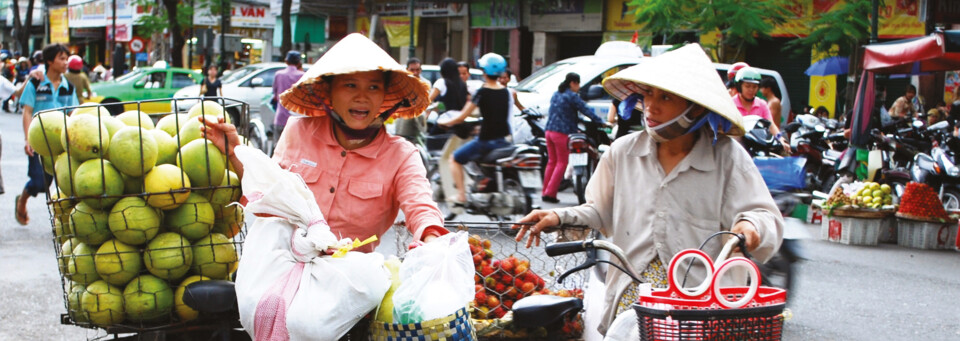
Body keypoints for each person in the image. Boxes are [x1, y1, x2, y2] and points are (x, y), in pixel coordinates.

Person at [511, 44, 783, 335]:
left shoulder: (727, 157)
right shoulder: (623, 152)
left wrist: (749, 227)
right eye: (649, 93)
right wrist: (558, 218)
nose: (651, 105)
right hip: (633, 303)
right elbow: (599, 211)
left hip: (702, 307)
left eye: (665, 96)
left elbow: (764, 216)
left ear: (695, 105)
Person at [202, 33, 445, 255]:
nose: (362, 96)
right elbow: (268, 202)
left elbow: (420, 205)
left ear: (384, 97)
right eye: (350, 85)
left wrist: (433, 240)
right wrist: (235, 152)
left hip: (352, 283)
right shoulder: (298, 132)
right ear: (328, 92)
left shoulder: (401, 155)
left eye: (374, 87)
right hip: (284, 267)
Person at [16, 44, 79, 225]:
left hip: (61, 142)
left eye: (66, 58)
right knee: (39, 182)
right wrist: (28, 138)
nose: (65, 62)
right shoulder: (36, 83)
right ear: (50, 61)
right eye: (61, 58)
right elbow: (27, 111)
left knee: (65, 183)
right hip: (39, 140)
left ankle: (63, 221)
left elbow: (71, 114)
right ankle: (22, 201)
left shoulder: (69, 87)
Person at [440, 53, 514, 204]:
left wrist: (446, 123)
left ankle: (461, 195)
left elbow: (463, 116)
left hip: (486, 140)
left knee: (455, 158)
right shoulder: (507, 92)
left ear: (484, 71)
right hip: (505, 140)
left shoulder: (481, 92)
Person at [541, 72, 607, 203]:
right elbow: (586, 110)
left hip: (549, 131)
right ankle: (551, 193)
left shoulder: (556, 94)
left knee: (552, 162)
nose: (579, 87)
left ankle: (545, 191)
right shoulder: (572, 96)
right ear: (573, 83)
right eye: (578, 84)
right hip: (562, 132)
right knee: (562, 162)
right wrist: (600, 121)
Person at [430, 58, 471, 208]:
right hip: (460, 123)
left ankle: (437, 172)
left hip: (445, 123)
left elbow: (429, 99)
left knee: (432, 145)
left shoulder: (442, 82)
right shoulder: (462, 83)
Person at [733, 67, 790, 154]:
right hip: (736, 147)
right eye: (747, 86)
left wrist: (780, 138)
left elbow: (771, 125)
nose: (751, 90)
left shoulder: (762, 104)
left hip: (758, 147)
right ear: (739, 86)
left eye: (754, 87)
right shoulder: (731, 103)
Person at [393, 57, 429, 145]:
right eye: (412, 70)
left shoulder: (426, 83)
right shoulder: (401, 83)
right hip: (403, 122)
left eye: (417, 70)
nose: (415, 72)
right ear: (407, 69)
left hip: (419, 120)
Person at [271, 50, 305, 142]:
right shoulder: (302, 75)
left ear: (286, 61)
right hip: (297, 119)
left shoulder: (279, 74)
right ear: (299, 62)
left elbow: (274, 92)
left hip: (280, 118)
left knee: (278, 147)